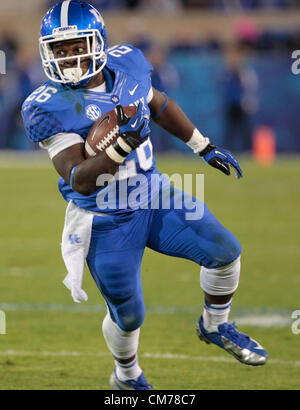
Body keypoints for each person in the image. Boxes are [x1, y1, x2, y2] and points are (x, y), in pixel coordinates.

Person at [21, 0, 267, 390]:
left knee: (226, 252)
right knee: (129, 314)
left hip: (154, 196)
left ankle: (215, 326)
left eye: (77, 46)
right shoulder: (47, 106)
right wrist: (122, 143)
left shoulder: (127, 65)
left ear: (99, 43)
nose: (69, 57)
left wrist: (202, 145)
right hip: (104, 219)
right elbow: (79, 178)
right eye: (60, 50)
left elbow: (159, 104)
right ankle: (126, 373)